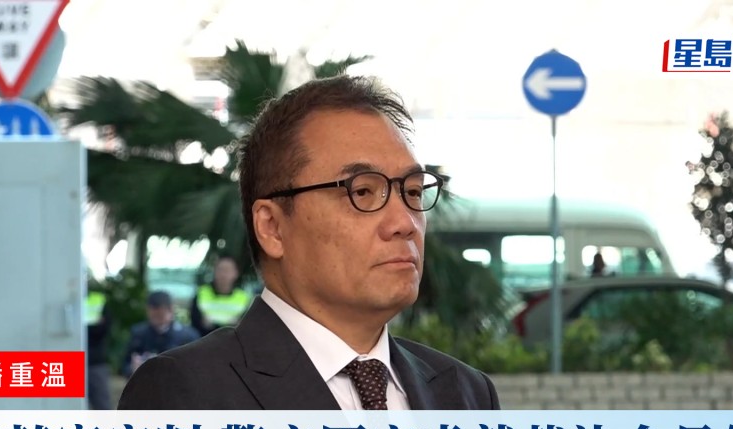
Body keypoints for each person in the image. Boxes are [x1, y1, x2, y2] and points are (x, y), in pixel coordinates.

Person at [119, 75, 499, 411]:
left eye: (413, 192)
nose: (405, 223)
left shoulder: (467, 394)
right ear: (272, 227)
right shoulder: (185, 392)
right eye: (362, 192)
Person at [122, 291, 199, 378]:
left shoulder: (187, 336)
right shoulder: (138, 333)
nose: (156, 318)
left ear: (171, 310)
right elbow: (125, 365)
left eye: (160, 314)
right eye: (153, 314)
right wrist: (133, 368)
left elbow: (196, 367)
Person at [189, 255, 253, 336]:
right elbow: (194, 322)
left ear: (236, 273)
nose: (223, 274)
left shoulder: (244, 297)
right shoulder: (201, 293)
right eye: (220, 270)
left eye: (227, 270)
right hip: (204, 338)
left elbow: (246, 326)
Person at [86, 289, 113, 409]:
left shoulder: (94, 300)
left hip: (94, 362)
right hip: (66, 360)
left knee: (102, 407)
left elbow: (102, 329)